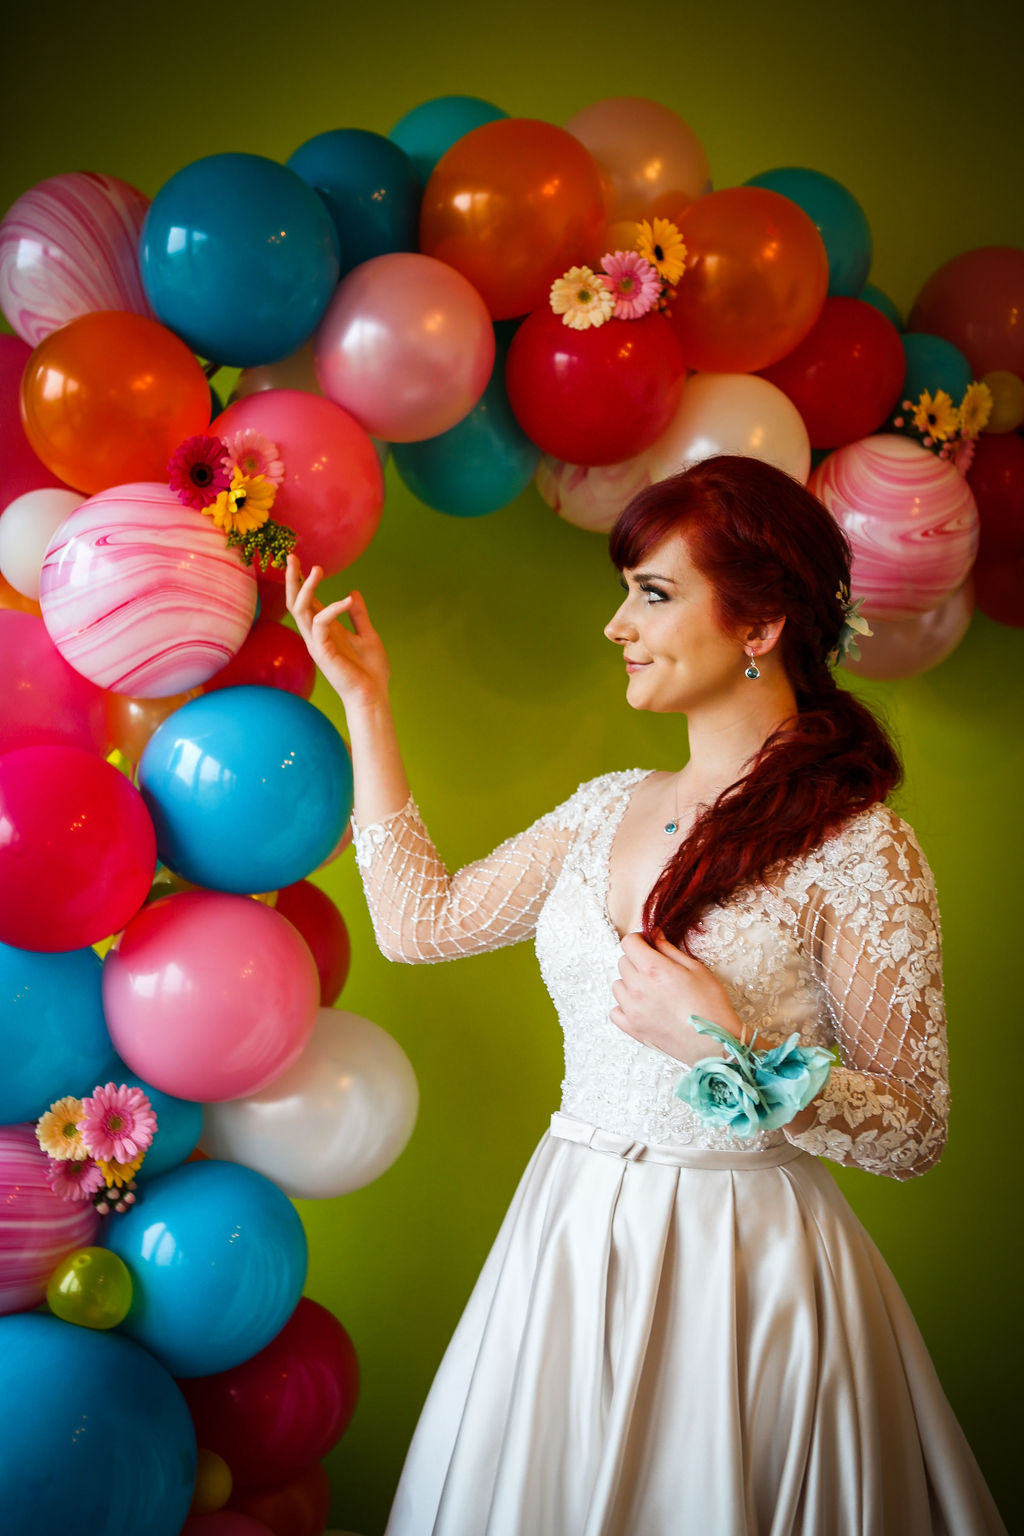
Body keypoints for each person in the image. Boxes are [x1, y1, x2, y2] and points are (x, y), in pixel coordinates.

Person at [285, 455, 1005, 1536]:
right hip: (569, 1236)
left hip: (743, 1270)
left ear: (760, 625)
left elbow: (915, 1128)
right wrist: (367, 702)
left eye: (653, 594)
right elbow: (417, 924)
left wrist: (729, 1046)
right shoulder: (604, 807)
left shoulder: (860, 848)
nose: (618, 625)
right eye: (625, 590)